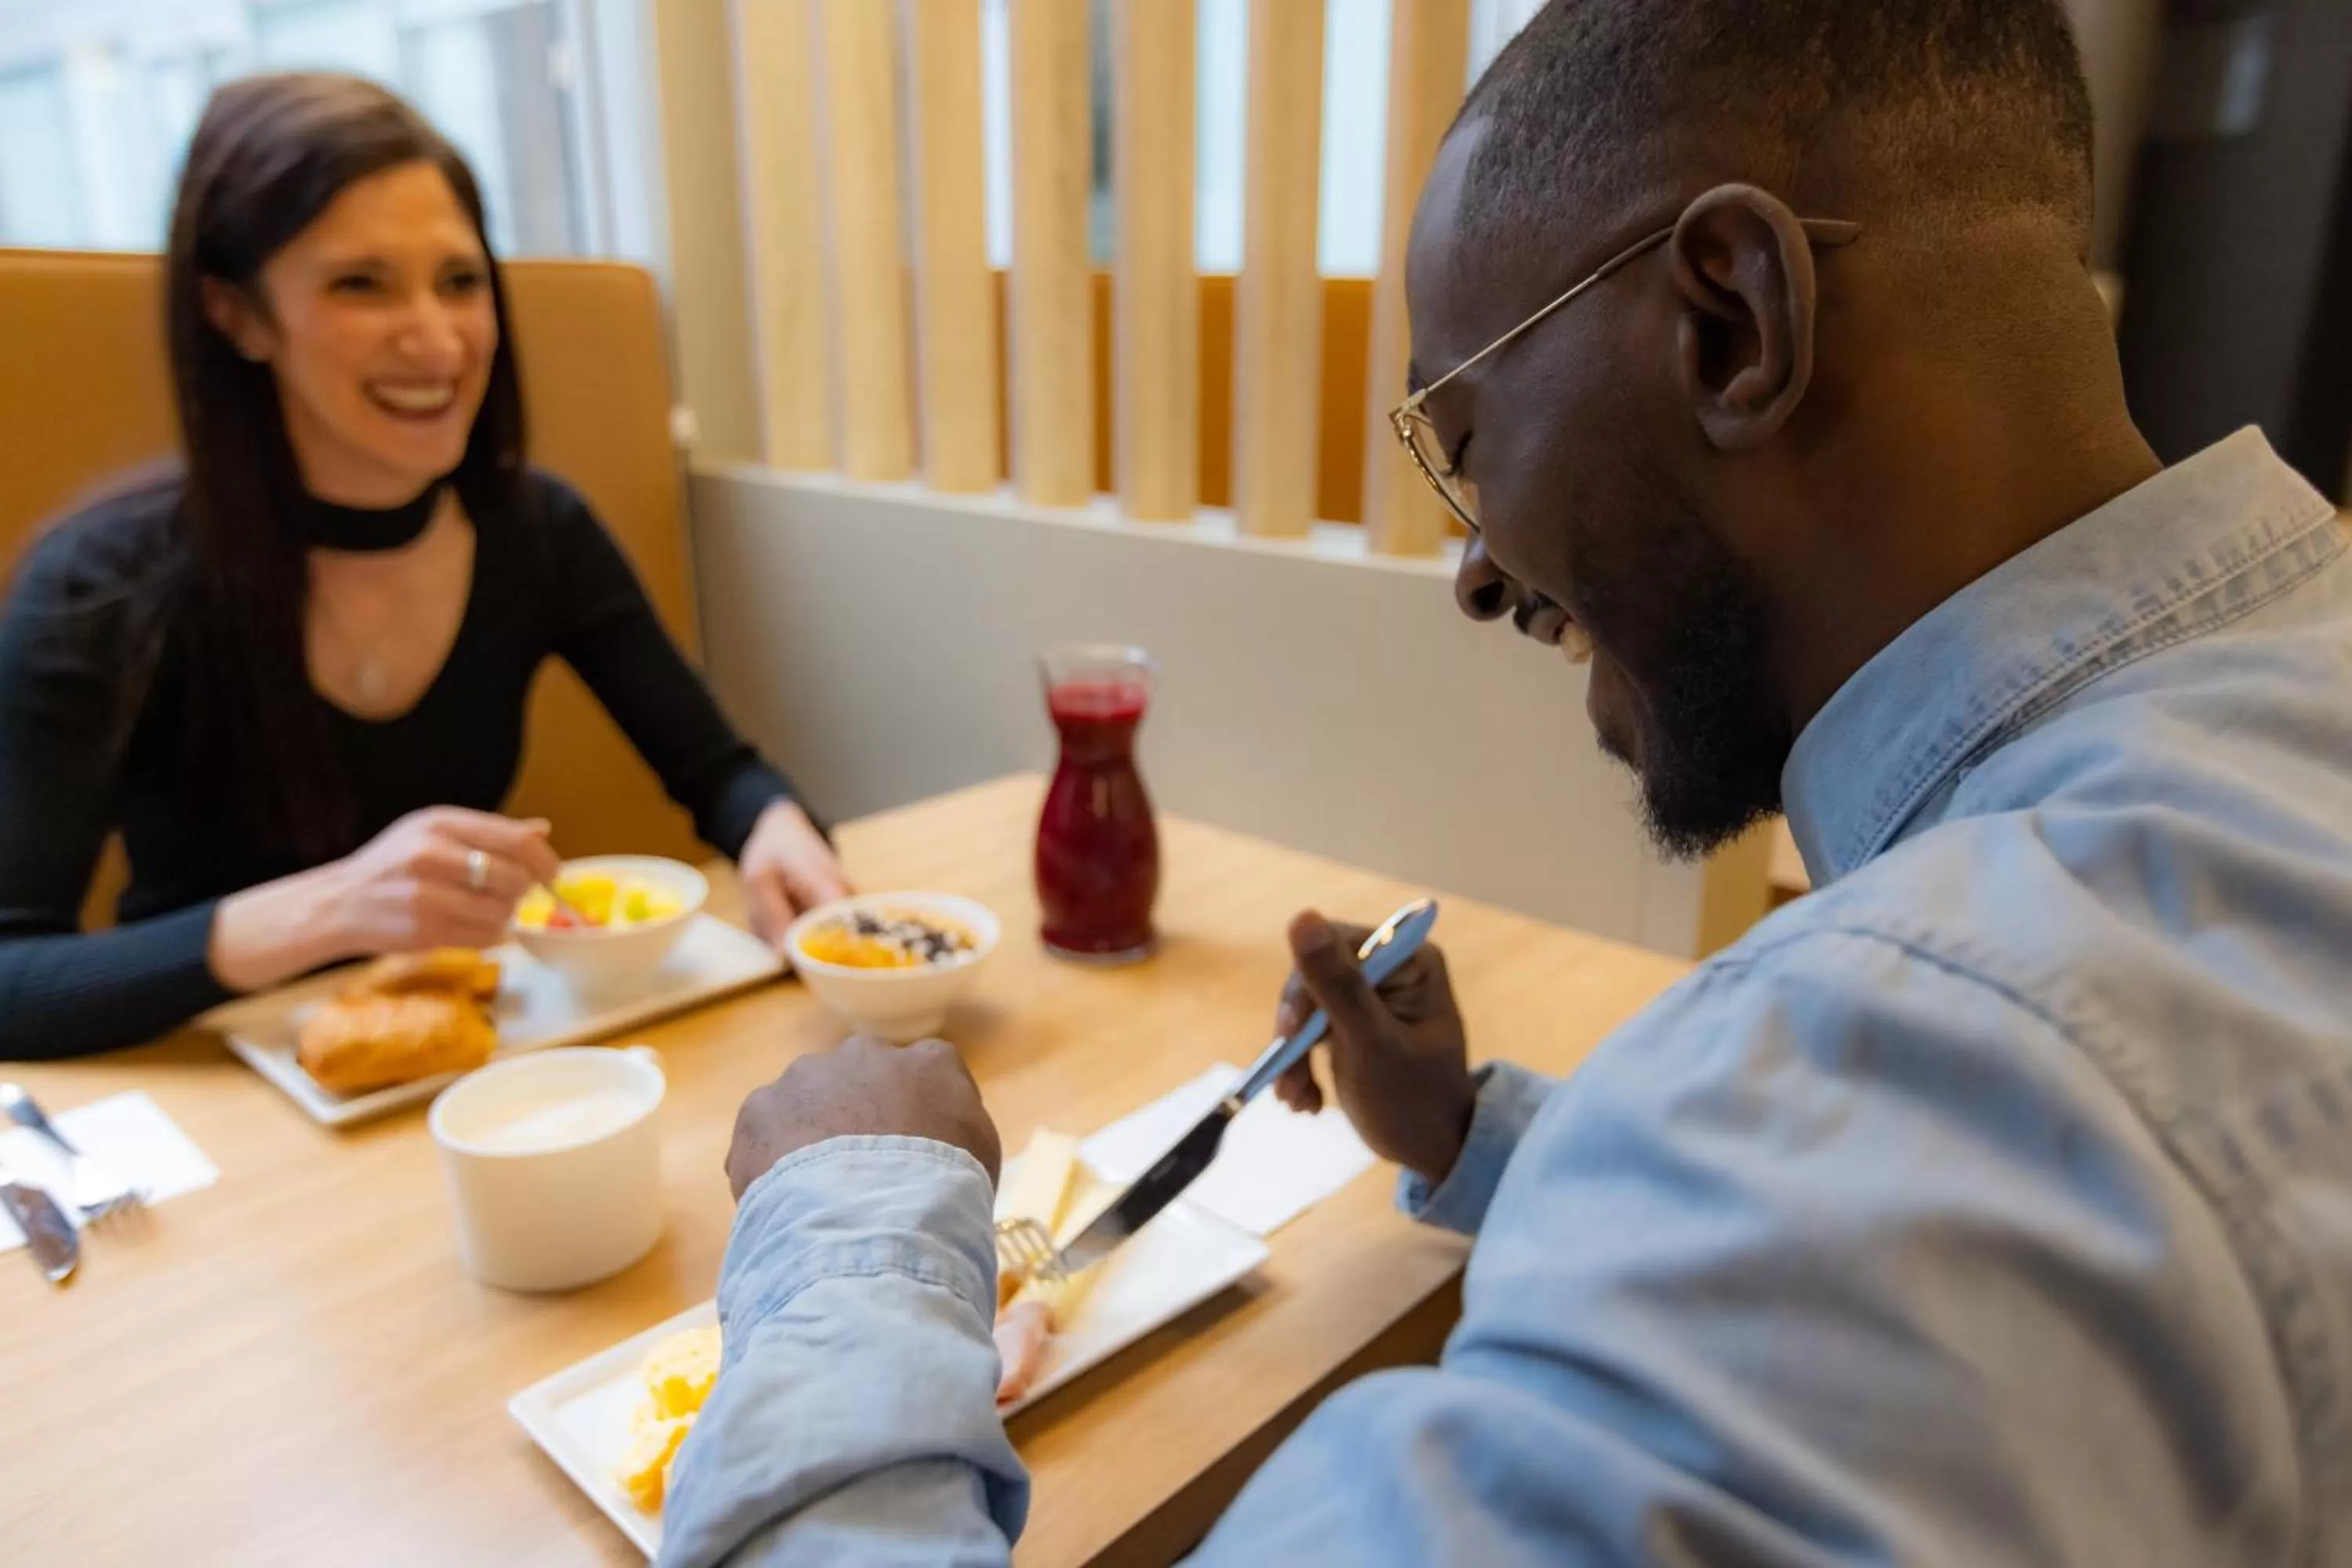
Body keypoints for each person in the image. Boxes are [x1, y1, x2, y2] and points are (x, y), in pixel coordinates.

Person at [666, 2, 2352, 1563]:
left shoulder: (1931, 1056)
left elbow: (1854, 1208)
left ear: (1731, 322)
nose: (1475, 574)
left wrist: (857, 1218)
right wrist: (1491, 1136)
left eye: (1463, 442)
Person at [0, 74, 849, 1060]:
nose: (439, 340)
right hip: (218, 1107)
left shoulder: (539, 528)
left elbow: (720, 772)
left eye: (459, 281)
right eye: (361, 283)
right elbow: (14, 973)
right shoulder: (97, 585)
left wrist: (776, 828)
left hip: (477, 1064)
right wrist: (332, 906)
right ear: (236, 314)